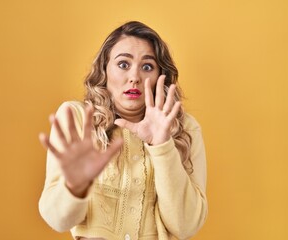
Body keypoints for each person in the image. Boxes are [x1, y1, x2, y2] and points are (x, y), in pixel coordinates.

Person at [38, 21, 207, 240]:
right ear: (104, 70)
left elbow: (187, 225)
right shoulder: (78, 118)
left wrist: (163, 145)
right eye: (123, 64)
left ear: (160, 77)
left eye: (147, 67)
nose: (135, 77)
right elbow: (57, 220)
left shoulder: (186, 129)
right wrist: (74, 187)